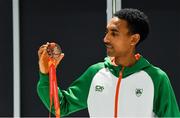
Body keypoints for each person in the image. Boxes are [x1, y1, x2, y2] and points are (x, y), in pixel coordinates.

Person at [37, 8, 180, 117]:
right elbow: (60, 108)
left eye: (114, 33)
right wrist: (45, 74)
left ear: (134, 39)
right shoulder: (95, 73)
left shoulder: (157, 78)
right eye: (107, 32)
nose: (106, 39)